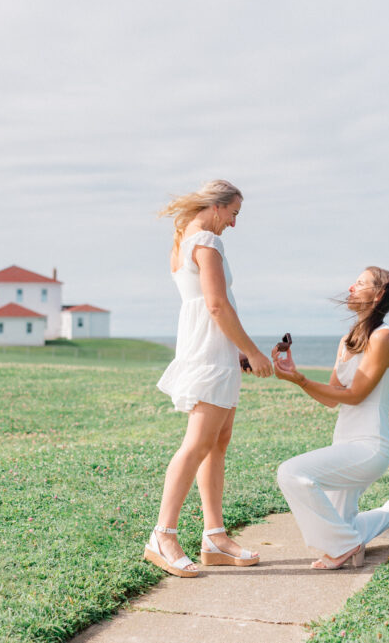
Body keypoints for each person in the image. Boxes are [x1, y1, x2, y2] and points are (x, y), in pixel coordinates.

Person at [144, 179, 273, 578]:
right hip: (210, 354)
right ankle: (162, 536)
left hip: (214, 350)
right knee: (198, 443)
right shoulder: (208, 242)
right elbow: (216, 305)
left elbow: (206, 306)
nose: (234, 224)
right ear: (216, 208)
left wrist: (236, 352)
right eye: (233, 214)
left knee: (218, 442)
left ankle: (214, 536)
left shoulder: (184, 240)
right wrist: (251, 350)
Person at [273, 267, 389, 569]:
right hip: (343, 447)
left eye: (360, 284)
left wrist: (304, 380)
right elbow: (332, 398)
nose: (350, 287)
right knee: (343, 524)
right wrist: (296, 379)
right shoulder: (348, 339)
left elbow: (357, 394)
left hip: (368, 448)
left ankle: (343, 548)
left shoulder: (383, 337)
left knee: (290, 473)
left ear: (378, 295)